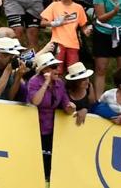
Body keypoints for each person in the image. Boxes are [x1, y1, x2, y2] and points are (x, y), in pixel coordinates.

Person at [28, 52, 76, 181]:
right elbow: (36, 101)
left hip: (51, 128)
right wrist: (46, 83)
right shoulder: (34, 82)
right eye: (54, 67)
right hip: (34, 127)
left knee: (49, 159)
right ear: (45, 69)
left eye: (57, 66)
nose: (58, 70)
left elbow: (65, 103)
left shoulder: (59, 84)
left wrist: (70, 107)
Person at [40, 0, 91, 73]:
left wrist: (87, 31)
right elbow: (42, 23)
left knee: (74, 72)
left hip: (73, 45)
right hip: (58, 43)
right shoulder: (54, 5)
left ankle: (70, 88)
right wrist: (54, 23)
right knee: (57, 71)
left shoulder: (78, 8)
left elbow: (83, 26)